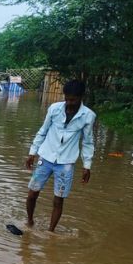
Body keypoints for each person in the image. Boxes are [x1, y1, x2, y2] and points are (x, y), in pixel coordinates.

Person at [25, 79, 95, 233]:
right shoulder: (54, 109)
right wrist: (32, 153)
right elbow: (42, 131)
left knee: (58, 199)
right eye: (67, 99)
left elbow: (88, 142)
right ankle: (29, 222)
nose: (69, 103)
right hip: (45, 158)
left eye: (73, 99)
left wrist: (86, 166)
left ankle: (50, 232)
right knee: (32, 194)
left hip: (66, 163)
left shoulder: (88, 116)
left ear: (81, 97)